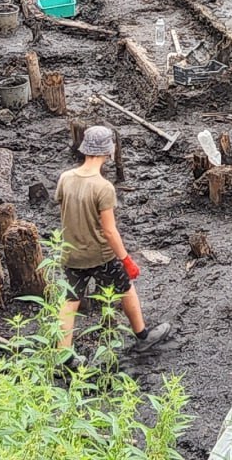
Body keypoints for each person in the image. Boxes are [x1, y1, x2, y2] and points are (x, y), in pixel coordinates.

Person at [55, 126, 172, 362]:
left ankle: (63, 356)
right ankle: (142, 336)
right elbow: (109, 230)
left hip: (71, 254)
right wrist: (126, 259)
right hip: (101, 255)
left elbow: (63, 209)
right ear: (109, 150)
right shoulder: (103, 187)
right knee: (126, 288)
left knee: (70, 301)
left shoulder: (65, 178)